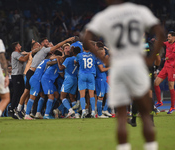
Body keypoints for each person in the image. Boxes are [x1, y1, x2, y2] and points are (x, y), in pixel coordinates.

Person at [83, 0, 164, 150]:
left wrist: (103, 59)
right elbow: (160, 31)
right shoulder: (139, 11)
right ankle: (151, 146)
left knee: (121, 116)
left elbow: (86, 38)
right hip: (137, 63)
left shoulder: (104, 16)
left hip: (118, 65)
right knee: (145, 113)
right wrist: (152, 58)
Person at [154, 31, 175, 114]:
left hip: (172, 68)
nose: (168, 38)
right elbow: (163, 43)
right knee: (156, 83)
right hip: (165, 67)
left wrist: (164, 59)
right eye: (168, 36)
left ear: (174, 37)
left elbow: (172, 56)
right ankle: (159, 101)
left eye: (169, 37)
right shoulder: (168, 43)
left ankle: (172, 107)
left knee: (171, 86)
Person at [57, 47, 81, 118]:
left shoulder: (68, 59)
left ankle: (70, 110)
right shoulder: (78, 60)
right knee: (72, 97)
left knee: (62, 96)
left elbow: (61, 68)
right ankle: (76, 114)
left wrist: (58, 61)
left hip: (68, 79)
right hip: (75, 79)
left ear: (73, 52)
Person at [74, 45, 96, 118]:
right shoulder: (93, 55)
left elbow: (75, 61)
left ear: (83, 48)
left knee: (82, 95)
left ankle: (83, 111)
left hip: (82, 75)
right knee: (91, 95)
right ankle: (93, 112)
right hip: (91, 75)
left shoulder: (79, 55)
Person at [9, 42, 30, 117]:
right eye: (19, 45)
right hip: (16, 75)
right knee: (16, 92)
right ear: (16, 47)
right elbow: (24, 59)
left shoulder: (20, 53)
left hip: (20, 75)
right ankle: (12, 109)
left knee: (21, 92)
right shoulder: (15, 53)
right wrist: (30, 53)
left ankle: (18, 109)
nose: (20, 46)